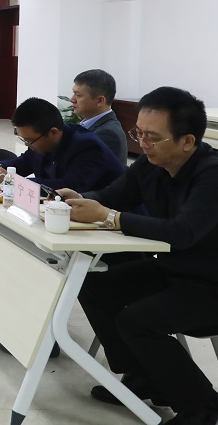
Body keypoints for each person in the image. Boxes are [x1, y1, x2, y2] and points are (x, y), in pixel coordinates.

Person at [58, 87, 218, 423]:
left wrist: (109, 217)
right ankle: (144, 375)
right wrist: (78, 199)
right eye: (139, 133)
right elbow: (112, 196)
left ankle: (202, 408)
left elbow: (183, 232)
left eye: (152, 137)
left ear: (187, 141)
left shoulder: (212, 174)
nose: (142, 143)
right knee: (94, 287)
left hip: (210, 284)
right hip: (174, 272)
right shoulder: (151, 164)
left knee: (139, 321)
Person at [0, 97, 124, 192]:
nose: (28, 145)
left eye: (29, 140)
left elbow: (70, 186)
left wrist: (16, 181)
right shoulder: (40, 142)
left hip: (107, 214)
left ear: (53, 132)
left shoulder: (87, 146)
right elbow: (23, 162)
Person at [71, 69, 128, 163]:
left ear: (100, 101)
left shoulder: (107, 134)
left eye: (78, 95)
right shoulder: (87, 124)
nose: (72, 99)